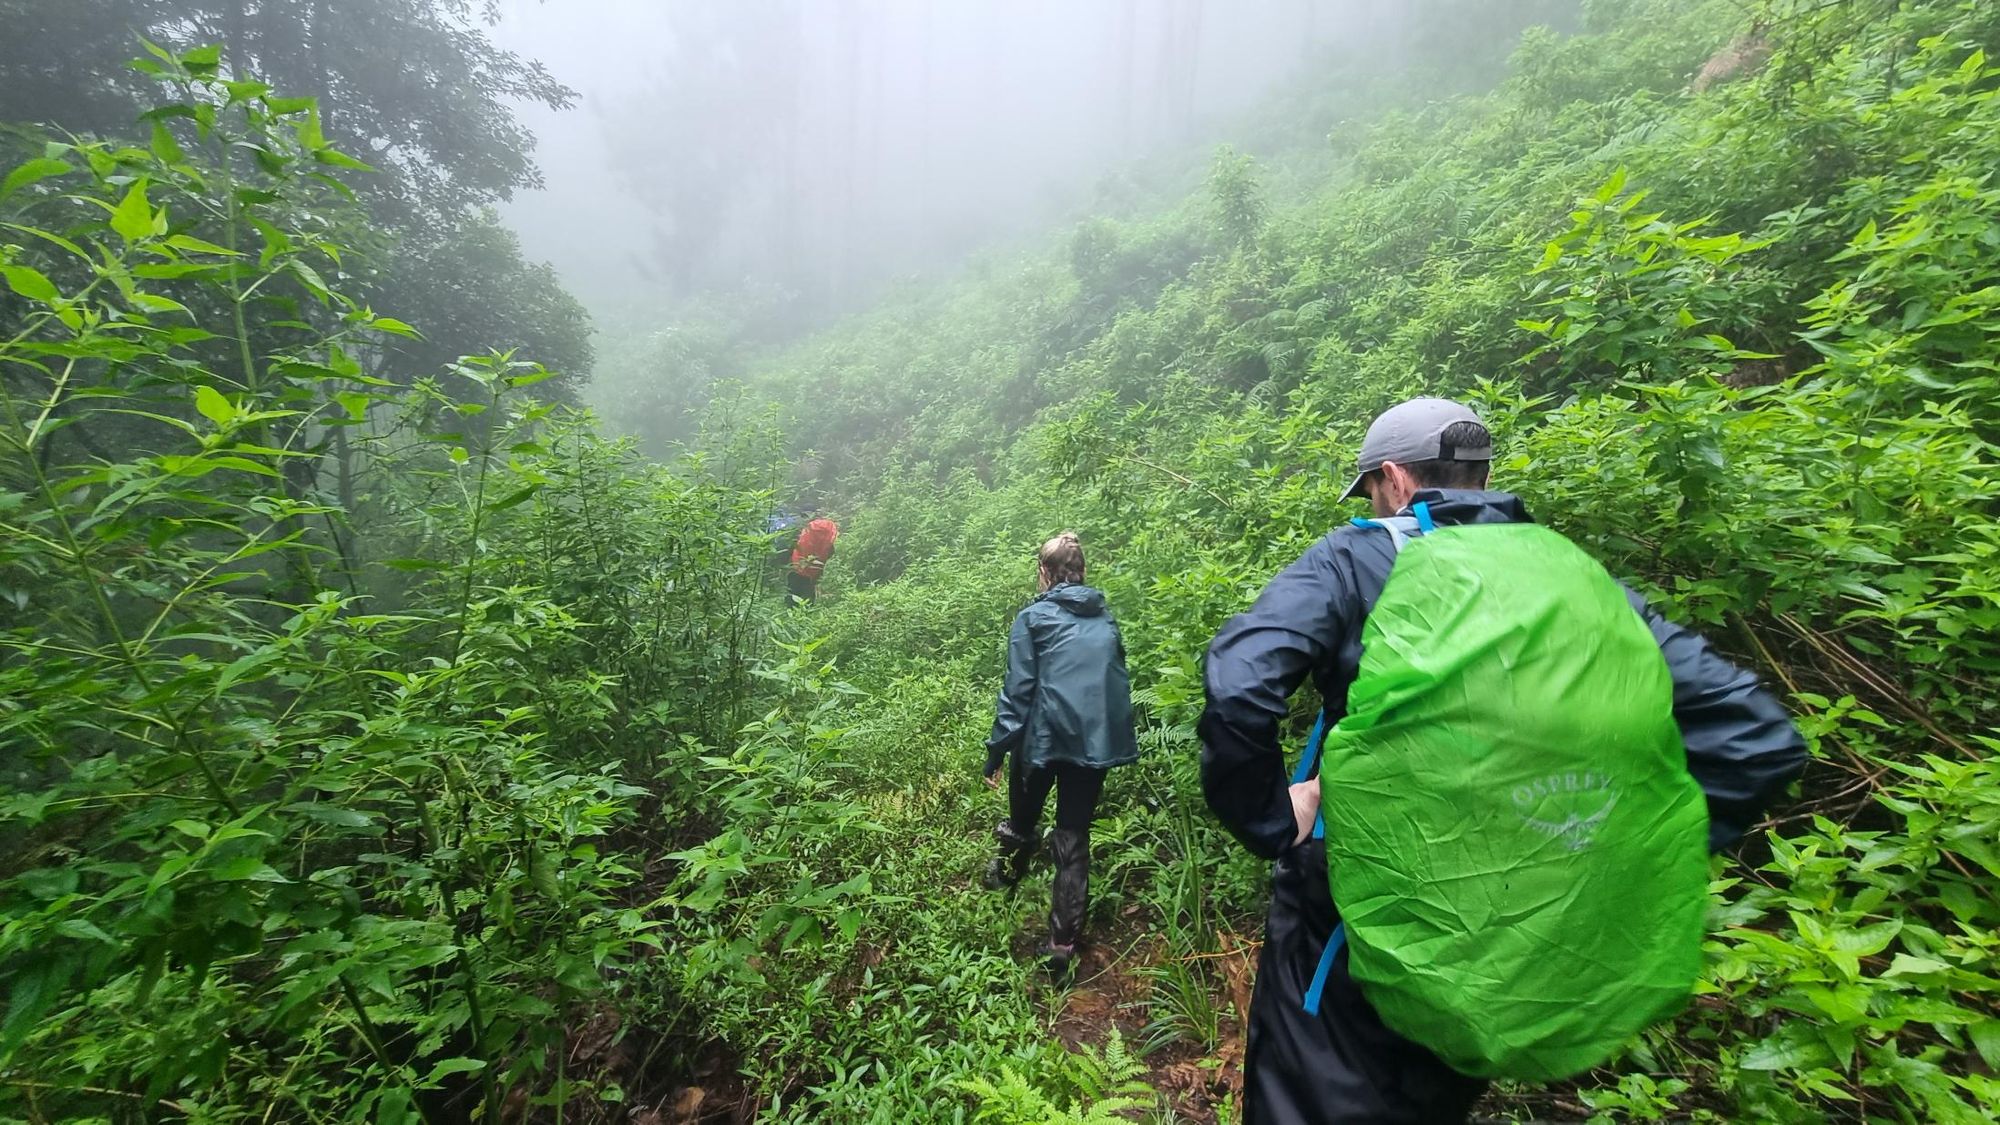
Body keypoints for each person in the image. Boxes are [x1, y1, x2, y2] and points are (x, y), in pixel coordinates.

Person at [1199, 397, 1808, 1124]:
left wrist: (1276, 817)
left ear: (1393, 478)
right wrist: (1614, 856)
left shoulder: (1358, 559)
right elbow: (1757, 738)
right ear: (1482, 474)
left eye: (1367, 489)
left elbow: (1240, 684)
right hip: (1505, 934)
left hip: (1351, 928)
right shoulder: (1576, 580)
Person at [981, 532, 1139, 974]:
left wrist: (997, 751)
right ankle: (1061, 946)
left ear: (1044, 573)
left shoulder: (1032, 618)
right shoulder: (1105, 618)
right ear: (1082, 572)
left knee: (1023, 816)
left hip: (1043, 742)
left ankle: (1006, 877)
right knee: (1073, 834)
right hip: (1092, 744)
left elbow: (1017, 691)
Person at [787, 514, 839, 604]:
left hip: (796, 568)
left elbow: (794, 548)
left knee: (792, 595)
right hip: (813, 574)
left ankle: (789, 612)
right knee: (808, 599)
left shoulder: (806, 537)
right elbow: (829, 555)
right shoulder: (826, 542)